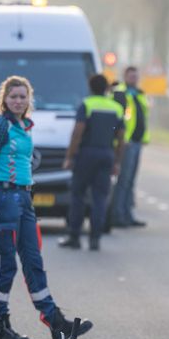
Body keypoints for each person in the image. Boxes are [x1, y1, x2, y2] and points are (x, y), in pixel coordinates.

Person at [0, 75, 94, 339]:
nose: (18, 101)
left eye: (23, 96)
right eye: (13, 96)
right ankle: (0, 327)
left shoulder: (25, 126)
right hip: (3, 197)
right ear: (4, 99)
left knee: (33, 261)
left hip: (23, 197)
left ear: (29, 99)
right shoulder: (0, 126)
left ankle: (56, 322)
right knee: (5, 264)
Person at [59, 74, 124, 251]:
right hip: (106, 154)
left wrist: (69, 156)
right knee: (100, 198)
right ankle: (95, 239)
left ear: (90, 87)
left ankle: (74, 236)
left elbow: (77, 133)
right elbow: (120, 137)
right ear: (106, 88)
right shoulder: (116, 108)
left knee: (78, 196)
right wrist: (117, 161)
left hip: (86, 154)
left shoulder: (86, 105)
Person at [110, 66, 150, 228]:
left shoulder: (139, 94)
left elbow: (142, 118)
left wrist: (144, 138)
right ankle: (118, 215)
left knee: (131, 181)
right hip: (126, 143)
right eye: (131, 76)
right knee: (123, 180)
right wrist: (119, 140)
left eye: (136, 76)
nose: (134, 79)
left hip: (137, 142)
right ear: (125, 77)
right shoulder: (120, 94)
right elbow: (117, 119)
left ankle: (128, 214)